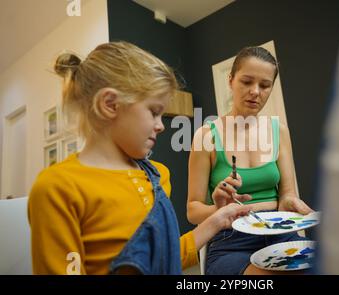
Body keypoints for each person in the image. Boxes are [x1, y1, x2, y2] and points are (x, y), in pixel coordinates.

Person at [28, 41, 250, 275]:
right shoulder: (57, 188)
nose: (160, 126)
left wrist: (218, 218)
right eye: (154, 112)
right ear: (110, 104)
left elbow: (166, 256)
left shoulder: (158, 175)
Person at [187, 46, 314, 275]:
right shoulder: (206, 136)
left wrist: (291, 202)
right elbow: (192, 210)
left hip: (280, 231)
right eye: (246, 82)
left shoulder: (279, 131)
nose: (255, 91)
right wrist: (219, 209)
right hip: (231, 239)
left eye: (265, 85)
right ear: (231, 80)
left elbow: (287, 193)